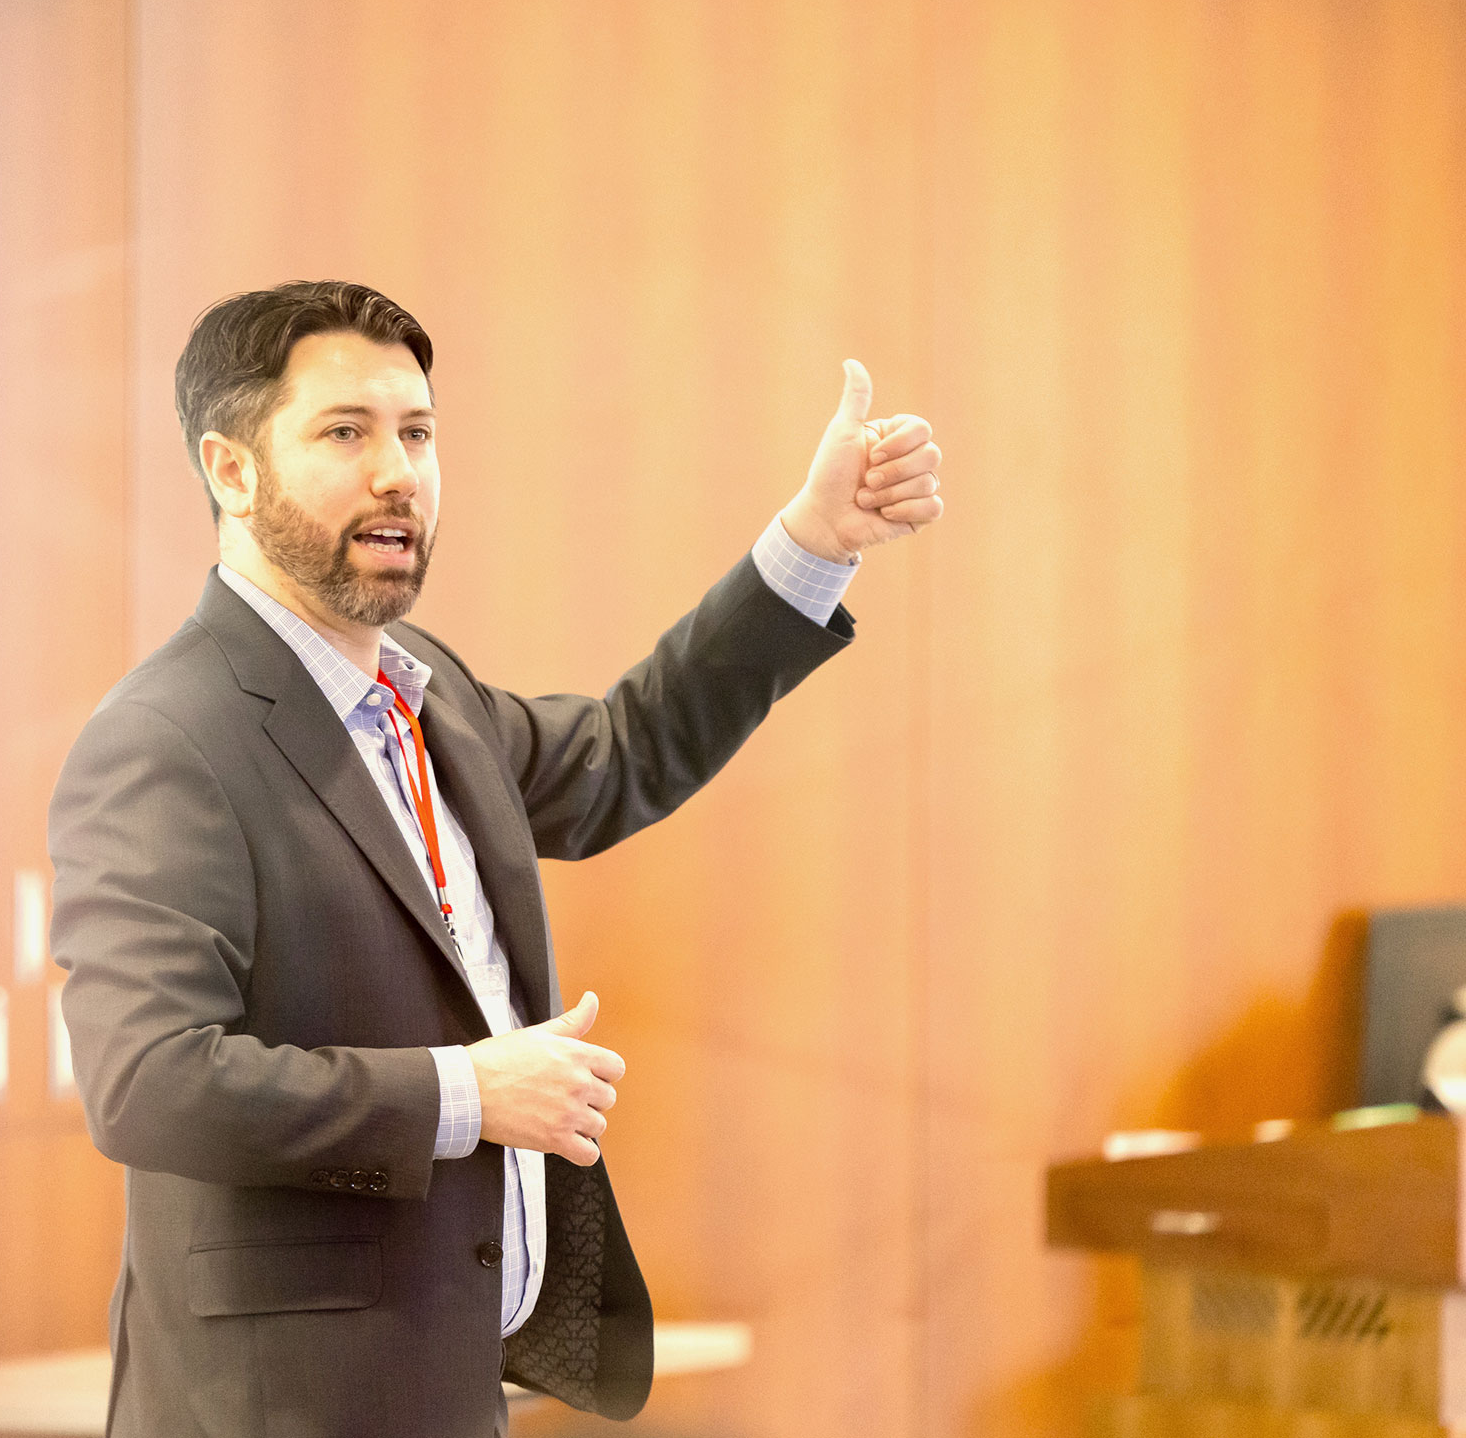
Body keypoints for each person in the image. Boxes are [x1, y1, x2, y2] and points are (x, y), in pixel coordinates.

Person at [48, 280, 942, 1438]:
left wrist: (814, 545)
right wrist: (467, 1093)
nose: (398, 473)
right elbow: (146, 1083)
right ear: (230, 471)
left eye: (416, 433)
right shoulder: (164, 741)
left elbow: (625, 753)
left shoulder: (424, 692)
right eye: (344, 432)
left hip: (451, 1391)